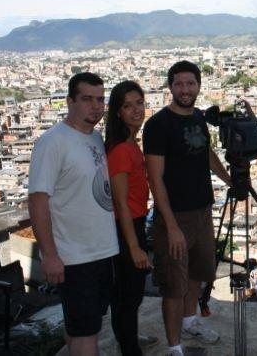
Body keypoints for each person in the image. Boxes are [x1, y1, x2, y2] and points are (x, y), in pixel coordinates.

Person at [143, 60, 232, 356]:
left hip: (202, 211)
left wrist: (229, 180)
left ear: (198, 86)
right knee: (173, 285)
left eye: (190, 83)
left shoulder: (198, 117)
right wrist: (170, 226)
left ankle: (190, 320)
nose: (185, 89)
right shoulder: (157, 126)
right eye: (179, 84)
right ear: (170, 87)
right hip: (175, 217)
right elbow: (155, 180)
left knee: (197, 274)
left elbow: (206, 154)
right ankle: (174, 346)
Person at [29, 72, 118, 356]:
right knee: (86, 333)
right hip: (75, 257)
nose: (95, 106)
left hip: (100, 251)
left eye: (100, 99)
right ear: (69, 102)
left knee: (82, 326)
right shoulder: (53, 142)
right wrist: (50, 255)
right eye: (87, 99)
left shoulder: (93, 137)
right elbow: (38, 201)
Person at [105, 80, 158, 355]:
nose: (136, 110)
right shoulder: (121, 151)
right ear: (117, 112)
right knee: (128, 296)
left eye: (139, 103)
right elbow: (121, 204)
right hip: (126, 228)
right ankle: (129, 348)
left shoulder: (129, 143)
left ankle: (129, 340)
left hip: (133, 224)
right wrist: (135, 246)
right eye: (128, 106)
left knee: (129, 295)